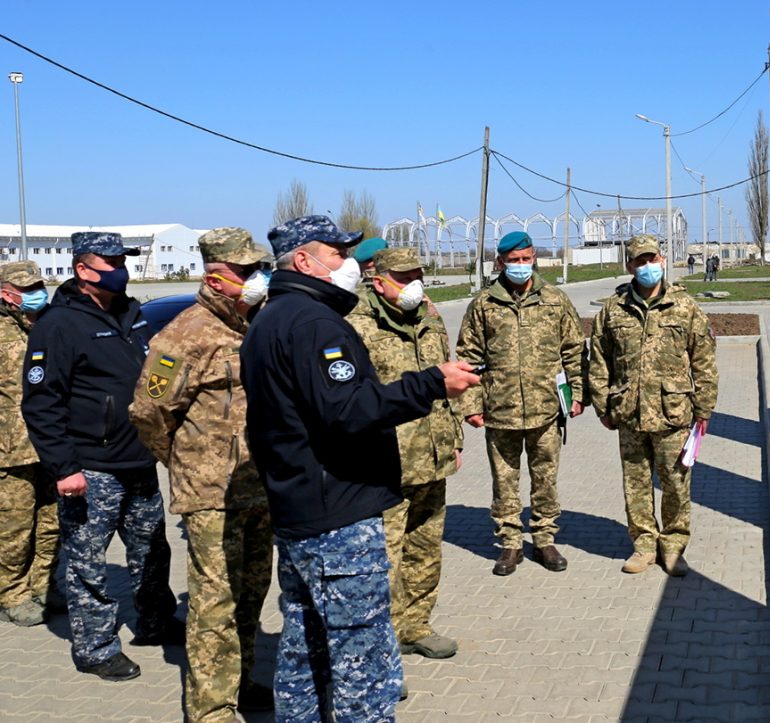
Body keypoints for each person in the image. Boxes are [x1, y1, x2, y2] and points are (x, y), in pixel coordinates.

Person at [239, 215, 479, 722]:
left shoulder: (270, 317)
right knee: (362, 660)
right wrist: (430, 383)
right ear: (303, 260)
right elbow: (347, 410)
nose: (348, 263)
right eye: (336, 253)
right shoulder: (314, 323)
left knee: (306, 644)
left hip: (301, 505)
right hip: (337, 512)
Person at [21, 231, 181, 682]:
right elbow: (41, 401)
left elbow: (157, 374)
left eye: (122, 259)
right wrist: (64, 467)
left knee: (152, 550)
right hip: (91, 467)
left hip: (140, 460)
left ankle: (155, 622)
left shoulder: (133, 313)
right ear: (82, 270)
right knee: (89, 561)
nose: (119, 268)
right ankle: (95, 647)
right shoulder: (57, 324)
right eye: (109, 261)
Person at [130, 227, 274, 722]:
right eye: (246, 271)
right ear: (215, 277)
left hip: (260, 487)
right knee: (215, 603)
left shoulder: (256, 324)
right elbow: (149, 412)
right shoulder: (181, 336)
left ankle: (242, 681)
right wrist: (186, 463)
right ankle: (210, 709)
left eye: (259, 268)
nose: (257, 278)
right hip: (210, 495)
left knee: (252, 592)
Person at [347, 246, 462, 661]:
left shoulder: (429, 317)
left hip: (432, 454)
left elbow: (448, 377)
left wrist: (454, 438)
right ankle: (381, 651)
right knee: (384, 561)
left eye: (418, 275)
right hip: (385, 463)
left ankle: (416, 626)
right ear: (378, 281)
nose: (414, 284)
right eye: (404, 276)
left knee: (425, 551)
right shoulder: (357, 325)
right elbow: (351, 400)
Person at [456, 231, 586, 576]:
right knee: (505, 481)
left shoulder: (555, 300)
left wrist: (576, 395)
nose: (520, 266)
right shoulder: (484, 304)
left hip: (546, 409)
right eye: (513, 261)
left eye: (526, 259)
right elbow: (468, 356)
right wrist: (471, 404)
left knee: (545, 479)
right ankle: (510, 544)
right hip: (500, 411)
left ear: (534, 258)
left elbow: (573, 350)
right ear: (499, 263)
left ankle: (544, 540)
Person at [588, 235, 718, 576]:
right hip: (628, 413)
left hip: (672, 413)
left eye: (653, 259)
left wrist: (703, 409)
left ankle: (673, 547)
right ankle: (644, 545)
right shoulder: (613, 310)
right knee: (636, 484)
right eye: (640, 261)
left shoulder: (684, 307)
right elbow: (598, 359)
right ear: (629, 266)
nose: (648, 267)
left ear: (663, 260)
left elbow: (703, 359)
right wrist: (602, 405)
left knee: (676, 483)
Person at [0, 261, 61, 627]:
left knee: (52, 523)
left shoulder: (49, 325)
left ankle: (43, 585)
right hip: (11, 452)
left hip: (52, 446)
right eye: (27, 288)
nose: (36, 293)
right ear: (6, 293)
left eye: (39, 285)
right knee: (14, 528)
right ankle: (12, 592)